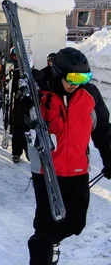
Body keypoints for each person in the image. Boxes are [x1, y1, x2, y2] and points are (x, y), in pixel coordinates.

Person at [27, 47, 111, 265]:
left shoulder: (90, 95)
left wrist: (109, 157)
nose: (77, 84)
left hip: (77, 170)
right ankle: (41, 250)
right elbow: (25, 127)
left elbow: (103, 130)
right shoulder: (41, 93)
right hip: (47, 171)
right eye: (72, 78)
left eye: (84, 77)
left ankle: (49, 241)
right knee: (45, 224)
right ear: (57, 72)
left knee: (76, 222)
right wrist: (24, 108)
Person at [10, 54, 43, 163]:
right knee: (18, 128)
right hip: (21, 103)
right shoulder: (17, 73)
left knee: (31, 128)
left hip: (33, 104)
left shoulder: (38, 74)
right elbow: (14, 89)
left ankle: (30, 150)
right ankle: (16, 152)